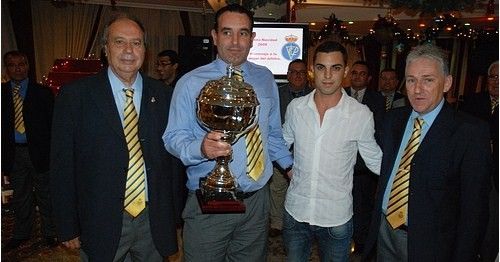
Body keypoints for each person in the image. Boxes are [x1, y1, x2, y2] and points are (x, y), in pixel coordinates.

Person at [163, 4, 293, 261]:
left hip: (257, 202)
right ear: (214, 36)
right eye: (227, 32)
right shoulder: (190, 83)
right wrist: (201, 148)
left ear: (253, 38)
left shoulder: (265, 78)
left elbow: (272, 134)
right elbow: (172, 137)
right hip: (209, 203)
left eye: (243, 33)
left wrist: (290, 167)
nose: (235, 42)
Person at [50, 14, 178, 261]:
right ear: (105, 49)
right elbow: (61, 165)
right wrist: (67, 225)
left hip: (152, 220)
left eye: (137, 42)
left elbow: (172, 162)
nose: (129, 50)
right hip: (99, 219)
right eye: (119, 42)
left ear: (145, 49)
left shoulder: (164, 95)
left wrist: (173, 216)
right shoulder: (76, 96)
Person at [363, 44, 491, 261]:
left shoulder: (470, 132)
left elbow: (474, 212)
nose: (417, 89)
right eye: (411, 80)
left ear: (447, 83)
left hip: (432, 245)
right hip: (385, 233)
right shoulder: (393, 119)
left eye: (428, 80)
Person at [281, 40, 382, 262]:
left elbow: (376, 160)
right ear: (312, 70)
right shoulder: (296, 108)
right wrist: (287, 167)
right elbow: (280, 143)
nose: (327, 75)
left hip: (336, 217)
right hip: (296, 212)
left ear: (345, 71)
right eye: (321, 67)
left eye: (335, 68)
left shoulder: (361, 114)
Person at [1, 50, 57, 251]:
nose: (18, 68)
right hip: (13, 154)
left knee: (46, 194)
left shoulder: (42, 92)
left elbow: (53, 126)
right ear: (6, 69)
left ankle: (51, 233)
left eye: (22, 64)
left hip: (40, 154)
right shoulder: (1, 94)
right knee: (20, 196)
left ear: (28, 66)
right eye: (12, 65)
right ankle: (22, 233)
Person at [345, 60, 385, 253]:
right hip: (341, 160)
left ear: (368, 78)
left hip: (364, 165)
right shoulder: (339, 94)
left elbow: (377, 132)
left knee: (363, 204)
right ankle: (343, 238)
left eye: (362, 74)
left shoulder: (377, 99)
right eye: (354, 73)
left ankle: (361, 242)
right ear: (349, 75)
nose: (358, 77)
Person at [269, 58, 312, 237]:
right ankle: (277, 223)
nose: (297, 75)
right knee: (277, 188)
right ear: (287, 75)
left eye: (301, 72)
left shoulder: (315, 95)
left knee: (305, 190)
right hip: (280, 151)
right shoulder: (275, 95)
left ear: (307, 76)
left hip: (306, 153)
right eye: (293, 72)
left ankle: (304, 222)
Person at [460, 60, 498, 262]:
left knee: (492, 227)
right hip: (471, 173)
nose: (497, 82)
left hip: (496, 179)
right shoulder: (473, 102)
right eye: (493, 77)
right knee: (469, 219)